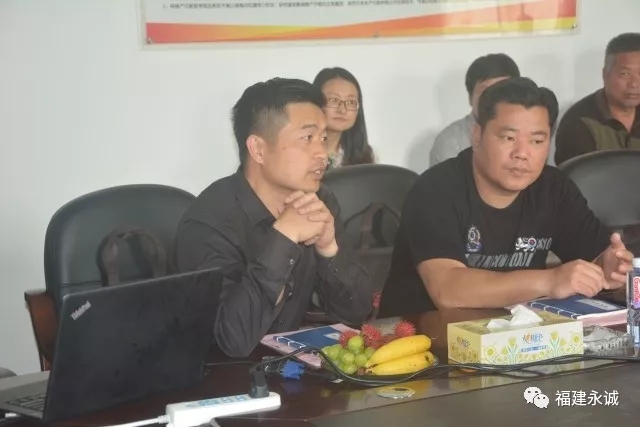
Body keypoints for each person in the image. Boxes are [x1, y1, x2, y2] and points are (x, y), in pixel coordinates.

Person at [379, 77, 634, 317]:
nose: (522, 153)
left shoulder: (554, 188)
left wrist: (608, 268)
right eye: (509, 138)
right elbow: (448, 290)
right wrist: (550, 280)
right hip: (421, 336)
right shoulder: (435, 189)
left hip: (513, 334)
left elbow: (597, 258)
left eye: (537, 141)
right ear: (477, 136)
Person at [175, 78, 373, 357]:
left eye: (323, 139)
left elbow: (357, 313)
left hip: (289, 368)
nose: (322, 154)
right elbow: (231, 342)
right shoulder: (210, 222)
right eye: (307, 138)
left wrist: (329, 250)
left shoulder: (319, 201)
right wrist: (284, 239)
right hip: (223, 376)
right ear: (258, 149)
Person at [554, 32, 640, 166]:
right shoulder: (579, 121)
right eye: (625, 74)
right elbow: (576, 176)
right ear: (605, 75)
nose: (634, 84)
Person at [429, 53, 521, 167]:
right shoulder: (451, 142)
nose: (495, 98)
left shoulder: (534, 134)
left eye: (503, 90)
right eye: (486, 91)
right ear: (470, 98)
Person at [312, 67, 375, 168]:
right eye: (333, 100)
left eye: (350, 102)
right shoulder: (297, 151)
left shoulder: (364, 157)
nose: (342, 110)